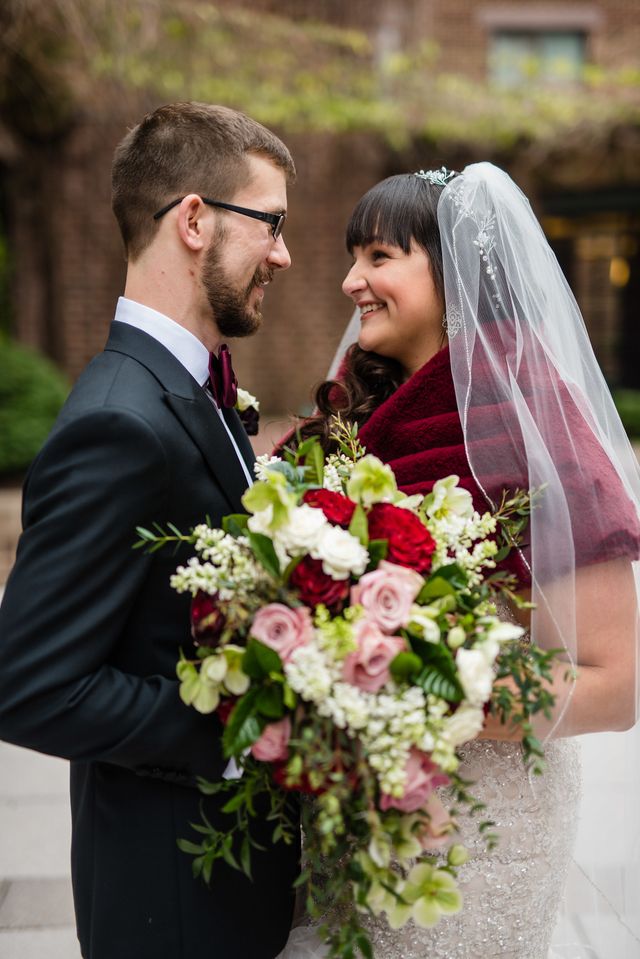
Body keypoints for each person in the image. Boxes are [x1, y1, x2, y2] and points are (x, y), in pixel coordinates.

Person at [279, 164, 640, 958]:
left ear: (454, 274)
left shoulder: (537, 436)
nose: (350, 282)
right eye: (352, 257)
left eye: (378, 256)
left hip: (483, 827)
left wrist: (423, 702)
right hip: (353, 809)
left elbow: (615, 684)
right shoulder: (353, 423)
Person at [0, 101, 299, 959]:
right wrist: (241, 725)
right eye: (270, 223)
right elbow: (30, 685)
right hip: (169, 904)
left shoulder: (188, 389)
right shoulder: (120, 422)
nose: (282, 252)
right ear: (195, 220)